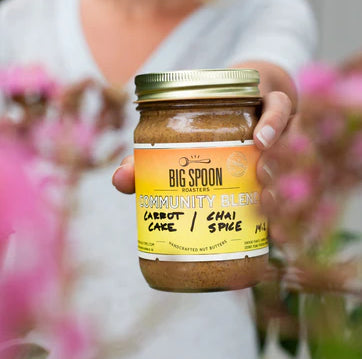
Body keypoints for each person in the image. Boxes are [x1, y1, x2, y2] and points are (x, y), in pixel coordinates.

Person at [0, 0, 317, 358]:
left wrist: (249, 108)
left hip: (205, 345)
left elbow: (267, 71)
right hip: (47, 340)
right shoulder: (22, 20)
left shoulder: (265, 9)